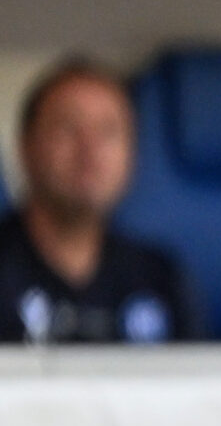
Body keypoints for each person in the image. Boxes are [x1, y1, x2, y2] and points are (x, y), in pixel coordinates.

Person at [0, 58, 199, 345]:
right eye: (67, 128)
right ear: (25, 147)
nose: (89, 152)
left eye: (108, 132)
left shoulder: (160, 279)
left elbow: (198, 386)